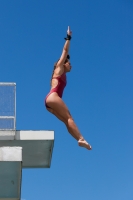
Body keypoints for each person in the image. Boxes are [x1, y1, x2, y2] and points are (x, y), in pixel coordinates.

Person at [45, 26, 92, 150]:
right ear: (64, 63)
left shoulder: (63, 74)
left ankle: (79, 140)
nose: (71, 65)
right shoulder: (59, 68)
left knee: (67, 121)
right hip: (53, 97)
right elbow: (65, 51)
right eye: (69, 63)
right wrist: (69, 37)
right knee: (69, 117)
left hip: (50, 103)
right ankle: (81, 138)